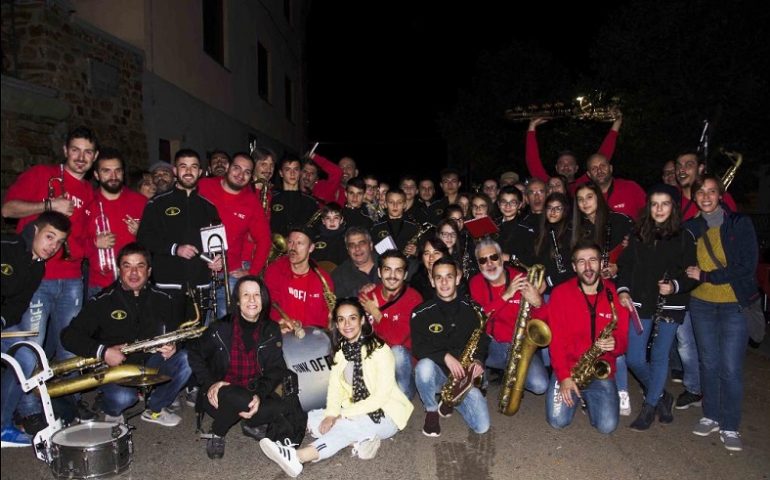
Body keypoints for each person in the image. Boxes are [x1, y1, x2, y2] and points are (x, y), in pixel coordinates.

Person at [259, 298, 413, 477]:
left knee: (342, 426)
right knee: (310, 418)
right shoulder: (342, 351)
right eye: (341, 319)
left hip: (385, 413)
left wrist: (340, 416)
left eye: (352, 318)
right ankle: (359, 442)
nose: (347, 324)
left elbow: (380, 398)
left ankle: (299, 457)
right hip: (354, 408)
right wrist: (331, 414)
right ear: (337, 324)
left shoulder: (380, 350)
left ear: (362, 320)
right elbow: (335, 388)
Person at [60, 243, 192, 426]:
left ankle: (155, 408)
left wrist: (175, 347)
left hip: (152, 363)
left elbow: (177, 335)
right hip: (116, 368)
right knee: (123, 398)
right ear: (118, 270)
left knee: (187, 359)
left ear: (149, 271)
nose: (134, 273)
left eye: (140, 266)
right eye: (127, 266)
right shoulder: (102, 301)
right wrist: (103, 351)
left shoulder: (164, 299)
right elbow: (68, 336)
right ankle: (110, 407)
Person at [1, 126, 97, 367]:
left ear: (94, 157)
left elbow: (84, 240)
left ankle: (69, 402)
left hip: (73, 279)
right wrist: (48, 205)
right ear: (65, 150)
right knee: (31, 348)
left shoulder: (90, 192)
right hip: (36, 277)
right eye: (75, 150)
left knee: (70, 346)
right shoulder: (41, 174)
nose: (81, 157)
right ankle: (30, 406)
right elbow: (7, 209)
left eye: (88, 152)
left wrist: (95, 244)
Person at [187, 276, 306, 459]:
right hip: (220, 397)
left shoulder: (271, 329)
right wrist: (210, 383)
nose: (252, 300)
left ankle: (256, 427)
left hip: (253, 394)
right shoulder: (220, 328)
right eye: (246, 295)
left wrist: (259, 393)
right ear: (237, 301)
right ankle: (217, 431)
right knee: (236, 396)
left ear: (263, 299)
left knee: (287, 407)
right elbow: (194, 353)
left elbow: (276, 368)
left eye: (256, 295)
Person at [684, 174, 759, 452]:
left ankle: (730, 424)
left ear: (721, 195)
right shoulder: (691, 227)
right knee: (708, 362)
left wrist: (706, 275)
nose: (706, 196)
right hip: (701, 303)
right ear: (694, 196)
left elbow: (746, 265)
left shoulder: (739, 224)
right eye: (700, 191)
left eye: (712, 191)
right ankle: (711, 415)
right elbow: (679, 258)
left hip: (732, 303)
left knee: (730, 367)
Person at [616, 184, 698, 431]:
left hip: (671, 304)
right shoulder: (639, 233)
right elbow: (626, 266)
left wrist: (674, 286)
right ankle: (662, 394)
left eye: (665, 203)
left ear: (673, 207)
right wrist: (623, 290)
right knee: (635, 358)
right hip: (641, 301)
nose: (659, 208)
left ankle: (650, 406)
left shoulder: (685, 236)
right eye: (654, 203)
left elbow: (692, 275)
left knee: (660, 355)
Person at [544, 240, 629, 434]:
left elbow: (623, 340)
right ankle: (578, 394)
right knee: (557, 421)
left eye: (593, 260)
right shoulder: (560, 294)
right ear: (574, 267)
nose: (588, 267)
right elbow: (555, 342)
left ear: (601, 263)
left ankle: (587, 398)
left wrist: (615, 344)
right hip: (570, 368)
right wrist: (564, 377)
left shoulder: (615, 294)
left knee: (607, 426)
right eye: (581, 262)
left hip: (601, 370)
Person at [1, 212, 70, 448]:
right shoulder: (6, 245)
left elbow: (15, 308)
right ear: (34, 230)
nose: (53, 246)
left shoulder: (37, 270)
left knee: (27, 356)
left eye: (59, 242)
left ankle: (2, 425)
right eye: (50, 237)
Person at [136, 149, 223, 319]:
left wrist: (217, 259)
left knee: (196, 340)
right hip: (166, 285)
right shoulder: (157, 203)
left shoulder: (209, 207)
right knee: (167, 341)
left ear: (200, 172)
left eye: (193, 167)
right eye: (183, 166)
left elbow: (216, 245)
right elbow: (143, 238)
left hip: (200, 286)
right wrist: (175, 249)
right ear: (175, 171)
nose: (189, 172)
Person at [571, 183, 633, 413]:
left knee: (613, 334)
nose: (585, 202)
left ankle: (622, 390)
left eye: (589, 197)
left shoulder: (618, 221)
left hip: (615, 287)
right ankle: (590, 386)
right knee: (593, 336)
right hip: (591, 286)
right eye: (580, 199)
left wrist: (617, 268)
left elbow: (634, 254)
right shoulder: (579, 227)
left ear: (599, 197)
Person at [411, 258, 490, 437]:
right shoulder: (421, 312)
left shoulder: (474, 309)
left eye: (449, 276)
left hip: (463, 379)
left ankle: (452, 400)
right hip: (436, 374)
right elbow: (418, 347)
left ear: (458, 278)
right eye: (438, 278)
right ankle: (431, 411)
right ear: (432, 281)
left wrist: (478, 360)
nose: (444, 282)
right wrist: (445, 356)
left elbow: (483, 341)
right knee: (423, 366)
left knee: (482, 427)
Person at [468, 238, 548, 396]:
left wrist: (538, 303)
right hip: (492, 347)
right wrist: (507, 295)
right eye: (483, 260)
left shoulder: (523, 278)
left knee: (540, 386)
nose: (490, 263)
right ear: (478, 265)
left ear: (502, 258)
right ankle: (486, 374)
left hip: (520, 345)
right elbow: (479, 319)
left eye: (494, 257)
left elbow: (544, 321)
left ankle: (510, 373)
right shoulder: (476, 282)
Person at [198, 152, 271, 317]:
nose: (240, 175)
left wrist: (252, 272)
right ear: (228, 167)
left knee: (223, 324)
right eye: (237, 168)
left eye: (247, 172)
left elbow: (265, 240)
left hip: (227, 273)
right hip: (196, 267)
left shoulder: (252, 202)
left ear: (251, 177)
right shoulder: (203, 186)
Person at [359, 250, 423, 398]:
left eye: (398, 271)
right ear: (380, 272)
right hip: (378, 362)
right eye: (387, 270)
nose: (392, 276)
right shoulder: (368, 296)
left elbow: (396, 339)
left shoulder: (413, 298)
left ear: (405, 275)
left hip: (404, 366)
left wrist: (375, 312)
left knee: (397, 352)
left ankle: (402, 397)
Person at [85, 148, 147, 298]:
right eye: (106, 171)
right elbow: (73, 244)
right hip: (99, 284)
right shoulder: (87, 202)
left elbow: (158, 241)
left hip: (136, 284)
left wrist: (142, 232)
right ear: (96, 175)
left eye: (118, 171)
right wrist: (94, 242)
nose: (113, 176)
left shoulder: (141, 202)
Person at [525, 113, 623, 194]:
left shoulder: (584, 183)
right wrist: (531, 127)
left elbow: (602, 156)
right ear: (556, 168)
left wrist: (617, 123)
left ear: (576, 168)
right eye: (562, 164)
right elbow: (533, 162)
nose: (566, 166)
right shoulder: (550, 185)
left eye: (570, 164)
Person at [264, 227, 335, 332]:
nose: (293, 247)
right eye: (290, 242)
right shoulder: (274, 270)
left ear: (311, 248)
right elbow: (270, 305)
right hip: (281, 334)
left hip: (312, 339)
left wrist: (331, 320)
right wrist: (279, 323)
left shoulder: (323, 279)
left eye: (299, 243)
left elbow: (326, 317)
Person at [674, 151, 737, 221]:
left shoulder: (723, 198)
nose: (681, 170)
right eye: (678, 166)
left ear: (700, 168)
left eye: (689, 165)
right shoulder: (670, 198)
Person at [585, 153, 646, 220]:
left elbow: (648, 212)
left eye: (603, 166)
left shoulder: (631, 187)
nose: (599, 171)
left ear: (611, 168)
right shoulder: (585, 197)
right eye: (594, 168)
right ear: (589, 174)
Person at [533, 193, 574, 293]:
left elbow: (571, 268)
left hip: (563, 288)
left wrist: (548, 281)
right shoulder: (542, 232)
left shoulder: (569, 233)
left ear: (564, 211)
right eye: (549, 207)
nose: (553, 211)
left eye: (558, 208)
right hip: (544, 289)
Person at [270, 156, 319, 237]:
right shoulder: (272, 198)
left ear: (300, 172)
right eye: (288, 169)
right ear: (281, 173)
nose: (292, 173)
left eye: (296, 169)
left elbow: (316, 230)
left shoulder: (311, 202)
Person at [331, 227, 378, 298]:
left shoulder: (387, 264)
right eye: (352, 245)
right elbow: (337, 303)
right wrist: (358, 294)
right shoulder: (339, 275)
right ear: (348, 250)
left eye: (361, 243)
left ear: (370, 245)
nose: (357, 248)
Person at [370, 189, 419, 256]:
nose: (395, 206)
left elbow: (422, 252)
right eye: (391, 202)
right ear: (385, 204)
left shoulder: (414, 226)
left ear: (404, 205)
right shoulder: (376, 227)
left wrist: (416, 252)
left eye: (399, 202)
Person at [496, 186, 535, 265]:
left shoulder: (527, 228)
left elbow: (532, 258)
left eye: (513, 202)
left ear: (520, 205)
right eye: (504, 202)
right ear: (498, 204)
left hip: (518, 272)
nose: (508, 206)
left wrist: (510, 257)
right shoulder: (493, 224)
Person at [409, 235, 450, 300]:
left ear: (444, 255)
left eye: (436, 253)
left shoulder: (455, 277)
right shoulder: (416, 281)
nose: (431, 257)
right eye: (427, 253)